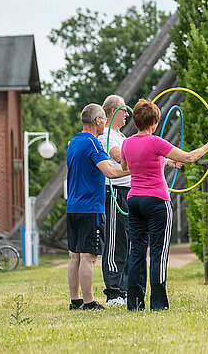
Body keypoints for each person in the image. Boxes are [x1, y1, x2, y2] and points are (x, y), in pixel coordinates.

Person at [121, 99, 208, 311]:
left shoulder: (127, 143)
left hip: (134, 200)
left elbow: (126, 166)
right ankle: (158, 304)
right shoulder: (156, 142)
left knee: (136, 252)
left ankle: (135, 304)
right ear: (154, 123)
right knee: (158, 252)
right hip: (157, 201)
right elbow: (189, 158)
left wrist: (163, 161)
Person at [65, 103, 130, 310]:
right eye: (104, 119)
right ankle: (89, 302)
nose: (105, 124)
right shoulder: (92, 143)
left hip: (73, 207)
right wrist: (136, 170)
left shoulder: (73, 143)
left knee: (75, 255)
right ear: (97, 121)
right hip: (89, 207)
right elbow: (110, 171)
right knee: (89, 257)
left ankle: (75, 300)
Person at [99, 94, 130, 306]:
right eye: (124, 110)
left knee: (128, 242)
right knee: (114, 241)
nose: (127, 114)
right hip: (114, 193)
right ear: (112, 112)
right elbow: (120, 157)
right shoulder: (107, 136)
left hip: (129, 191)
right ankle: (113, 292)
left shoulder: (123, 136)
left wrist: (165, 162)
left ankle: (125, 289)